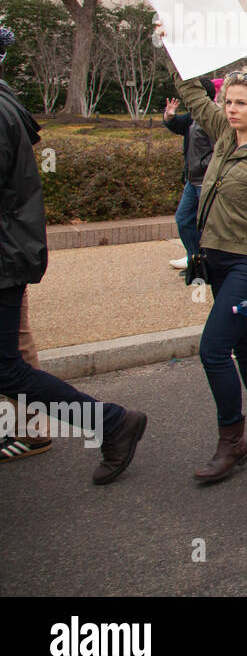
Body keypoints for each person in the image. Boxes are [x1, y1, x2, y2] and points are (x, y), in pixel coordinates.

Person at [0, 31, 147, 483]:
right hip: (10, 252)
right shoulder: (7, 102)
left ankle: (111, 422)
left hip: (5, 258)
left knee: (8, 369)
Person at [173, 66, 247, 481]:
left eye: (240, 103)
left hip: (246, 265)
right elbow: (191, 95)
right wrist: (177, 48)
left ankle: (232, 442)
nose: (230, 109)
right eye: (227, 101)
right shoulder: (224, 135)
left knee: (213, 350)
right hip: (217, 260)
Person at [163, 79, 217, 269]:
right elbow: (178, 125)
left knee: (206, 225)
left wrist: (205, 165)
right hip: (192, 179)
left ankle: (205, 263)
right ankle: (195, 260)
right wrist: (169, 117)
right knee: (184, 219)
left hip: (206, 180)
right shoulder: (193, 115)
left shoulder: (213, 117)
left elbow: (220, 149)